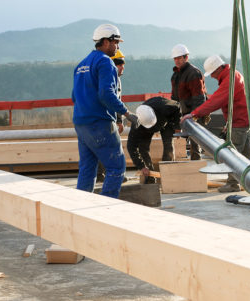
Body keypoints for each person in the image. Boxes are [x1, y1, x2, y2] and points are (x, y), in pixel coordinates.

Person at [72, 23, 139, 198]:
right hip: (100, 123)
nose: (117, 47)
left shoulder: (81, 65)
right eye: (116, 42)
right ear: (106, 41)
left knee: (87, 169)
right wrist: (126, 113)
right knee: (116, 167)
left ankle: (82, 208)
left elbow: (74, 97)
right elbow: (106, 94)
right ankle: (107, 209)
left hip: (81, 124)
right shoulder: (105, 62)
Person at [181, 55, 250, 193]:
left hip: (240, 122)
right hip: (247, 120)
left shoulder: (230, 79)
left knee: (233, 155)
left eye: (212, 74)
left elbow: (216, 101)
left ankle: (233, 184)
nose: (211, 77)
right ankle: (248, 183)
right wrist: (229, 122)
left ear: (217, 70)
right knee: (244, 156)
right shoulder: (234, 74)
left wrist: (194, 114)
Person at [127, 97, 181, 184]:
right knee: (143, 148)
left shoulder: (164, 106)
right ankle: (150, 176)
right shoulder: (137, 124)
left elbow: (177, 106)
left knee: (168, 146)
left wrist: (177, 126)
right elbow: (131, 147)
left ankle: (167, 176)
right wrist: (142, 167)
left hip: (167, 121)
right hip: (145, 128)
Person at [170, 44, 208, 160]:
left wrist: (194, 116)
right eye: (175, 58)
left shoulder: (193, 73)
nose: (177, 61)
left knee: (195, 140)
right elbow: (175, 98)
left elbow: (199, 98)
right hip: (183, 111)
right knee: (182, 138)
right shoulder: (176, 75)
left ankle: (196, 165)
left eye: (179, 58)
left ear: (186, 58)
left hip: (195, 112)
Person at [97, 49, 126, 182]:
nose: (122, 68)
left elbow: (118, 100)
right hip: (105, 117)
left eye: (123, 65)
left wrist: (119, 120)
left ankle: (103, 174)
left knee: (107, 146)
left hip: (110, 118)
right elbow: (111, 99)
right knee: (111, 146)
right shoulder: (109, 79)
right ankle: (110, 175)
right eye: (119, 64)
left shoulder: (117, 80)